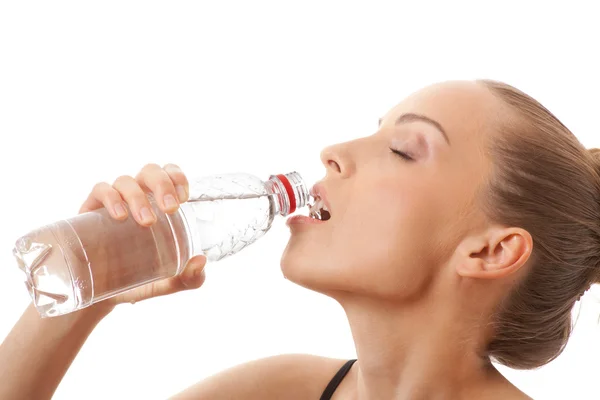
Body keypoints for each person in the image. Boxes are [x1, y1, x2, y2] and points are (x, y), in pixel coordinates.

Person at [1, 79, 597, 400]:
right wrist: (89, 287)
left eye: (402, 149)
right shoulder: (279, 390)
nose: (332, 154)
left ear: (492, 251)